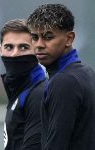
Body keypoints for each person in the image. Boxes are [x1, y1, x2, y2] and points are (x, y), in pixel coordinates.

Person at [27, 4, 95, 150]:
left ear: (69, 38)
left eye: (48, 37)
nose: (39, 45)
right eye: (34, 37)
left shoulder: (64, 81)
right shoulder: (86, 72)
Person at [0, 19, 48, 150]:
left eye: (23, 47)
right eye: (9, 47)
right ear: (0, 50)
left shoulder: (39, 94)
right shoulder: (19, 92)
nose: (15, 54)